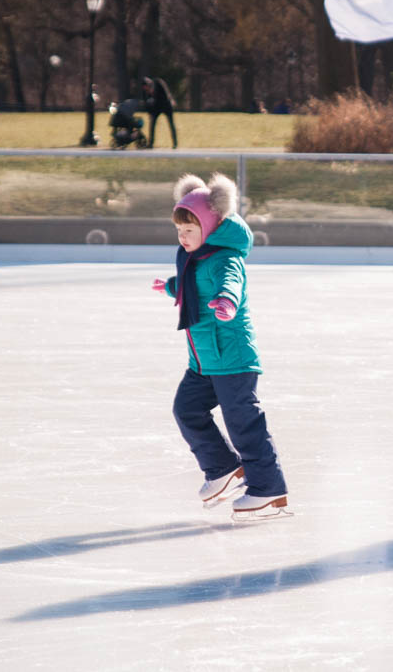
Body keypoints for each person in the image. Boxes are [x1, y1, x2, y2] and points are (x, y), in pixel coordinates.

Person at [151, 172, 289, 520]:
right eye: (179, 231)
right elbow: (192, 285)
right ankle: (223, 468)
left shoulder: (225, 257)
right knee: (186, 410)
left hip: (232, 357)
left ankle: (268, 488)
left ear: (210, 227)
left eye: (190, 230)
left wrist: (227, 302)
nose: (183, 237)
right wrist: (170, 287)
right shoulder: (195, 258)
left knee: (243, 423)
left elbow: (231, 283)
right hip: (203, 360)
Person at [143, 76, 178, 149]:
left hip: (166, 105)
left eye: (147, 87)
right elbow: (148, 103)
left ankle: (175, 143)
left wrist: (171, 101)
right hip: (157, 107)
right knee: (152, 124)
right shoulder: (147, 91)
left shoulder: (158, 82)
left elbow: (167, 93)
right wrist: (150, 113)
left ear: (148, 84)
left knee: (171, 124)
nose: (146, 90)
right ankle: (151, 143)